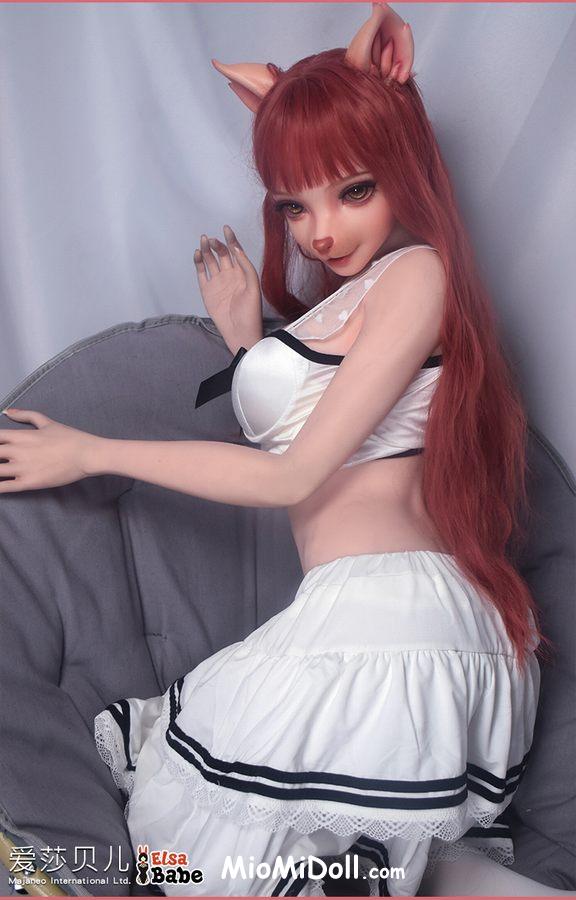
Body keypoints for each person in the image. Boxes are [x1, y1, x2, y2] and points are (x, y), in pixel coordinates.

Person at [0, 3, 562, 896]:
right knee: (218, 856)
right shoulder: (356, 298)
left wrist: (92, 452)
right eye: (294, 204)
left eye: (353, 191)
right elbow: (312, 432)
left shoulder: (420, 273)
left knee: (206, 861)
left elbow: (292, 474)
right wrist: (244, 343)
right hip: (361, 617)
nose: (318, 231)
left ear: (404, 166)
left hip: (394, 628)